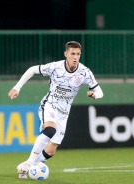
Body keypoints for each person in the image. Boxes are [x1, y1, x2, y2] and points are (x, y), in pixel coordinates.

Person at [8, 41, 104, 179]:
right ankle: (29, 163)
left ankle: (26, 168)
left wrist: (95, 95)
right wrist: (17, 87)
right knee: (49, 130)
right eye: (72, 54)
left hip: (64, 113)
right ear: (66, 54)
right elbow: (32, 70)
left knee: (51, 151)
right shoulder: (55, 67)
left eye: (78, 54)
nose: (75, 57)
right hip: (50, 105)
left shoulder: (84, 72)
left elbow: (100, 91)